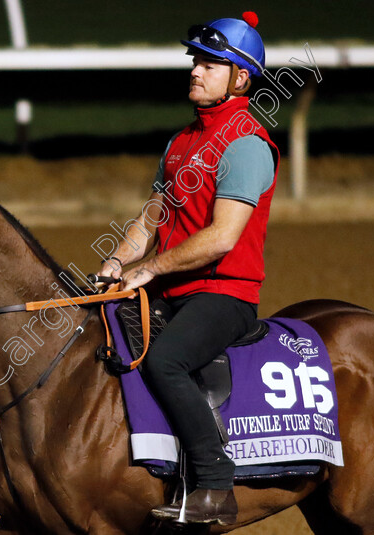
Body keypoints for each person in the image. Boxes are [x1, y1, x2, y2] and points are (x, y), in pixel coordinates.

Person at [96, 12, 279, 525]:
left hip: (224, 296)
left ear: (241, 79)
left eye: (211, 63)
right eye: (195, 60)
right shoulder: (180, 143)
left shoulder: (246, 144)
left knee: (166, 360)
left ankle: (217, 486)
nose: (195, 70)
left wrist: (150, 269)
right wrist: (115, 262)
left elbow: (222, 238)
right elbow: (150, 219)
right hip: (174, 289)